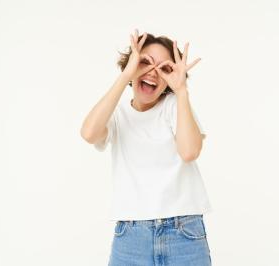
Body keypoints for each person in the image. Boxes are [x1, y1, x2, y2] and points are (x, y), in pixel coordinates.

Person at [80, 29, 213, 265]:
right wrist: (126, 76)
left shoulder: (175, 105)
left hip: (183, 234)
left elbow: (190, 151)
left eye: (165, 68)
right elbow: (89, 133)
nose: (153, 72)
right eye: (145, 62)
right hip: (131, 237)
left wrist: (182, 90)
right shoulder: (117, 114)